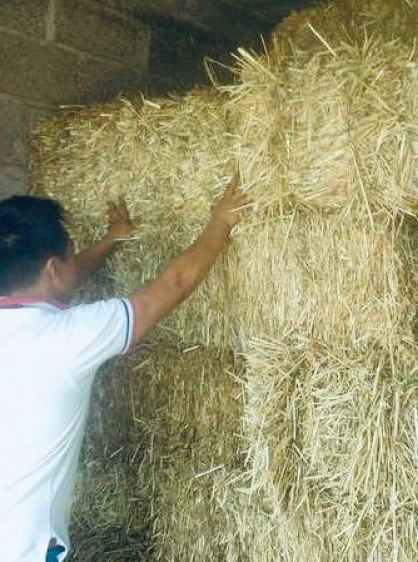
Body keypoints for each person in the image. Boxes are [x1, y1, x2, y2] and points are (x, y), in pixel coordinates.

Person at [0, 178, 248, 562]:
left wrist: (113, 238)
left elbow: (58, 283)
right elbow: (175, 284)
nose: (72, 261)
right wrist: (221, 223)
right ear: (53, 267)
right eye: (69, 255)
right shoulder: (64, 339)